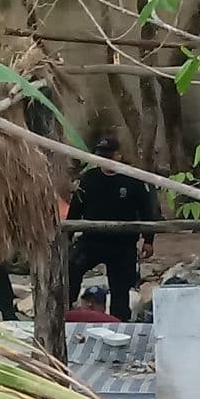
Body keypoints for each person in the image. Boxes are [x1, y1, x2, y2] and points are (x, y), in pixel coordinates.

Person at [67, 136, 162, 321]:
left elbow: (147, 211)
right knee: (71, 268)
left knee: (120, 287)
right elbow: (75, 209)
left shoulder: (133, 180)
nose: (106, 160)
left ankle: (120, 323)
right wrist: (67, 236)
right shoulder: (89, 179)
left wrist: (149, 240)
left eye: (109, 156)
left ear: (118, 156)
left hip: (122, 243)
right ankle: (67, 308)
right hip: (92, 240)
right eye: (102, 156)